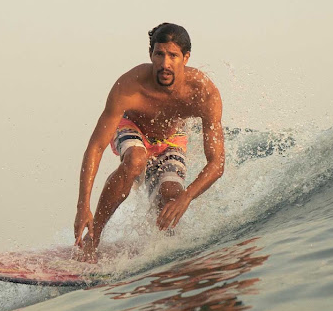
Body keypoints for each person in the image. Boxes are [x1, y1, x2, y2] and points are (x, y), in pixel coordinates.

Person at [74, 23, 225, 262]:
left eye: (173, 55)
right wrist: (83, 205)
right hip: (131, 128)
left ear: (185, 58)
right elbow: (96, 146)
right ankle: (93, 239)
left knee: (171, 196)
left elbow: (217, 163)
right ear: (151, 55)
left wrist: (186, 198)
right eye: (159, 54)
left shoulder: (203, 92)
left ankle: (159, 251)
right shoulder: (130, 85)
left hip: (171, 139)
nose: (165, 63)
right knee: (135, 159)